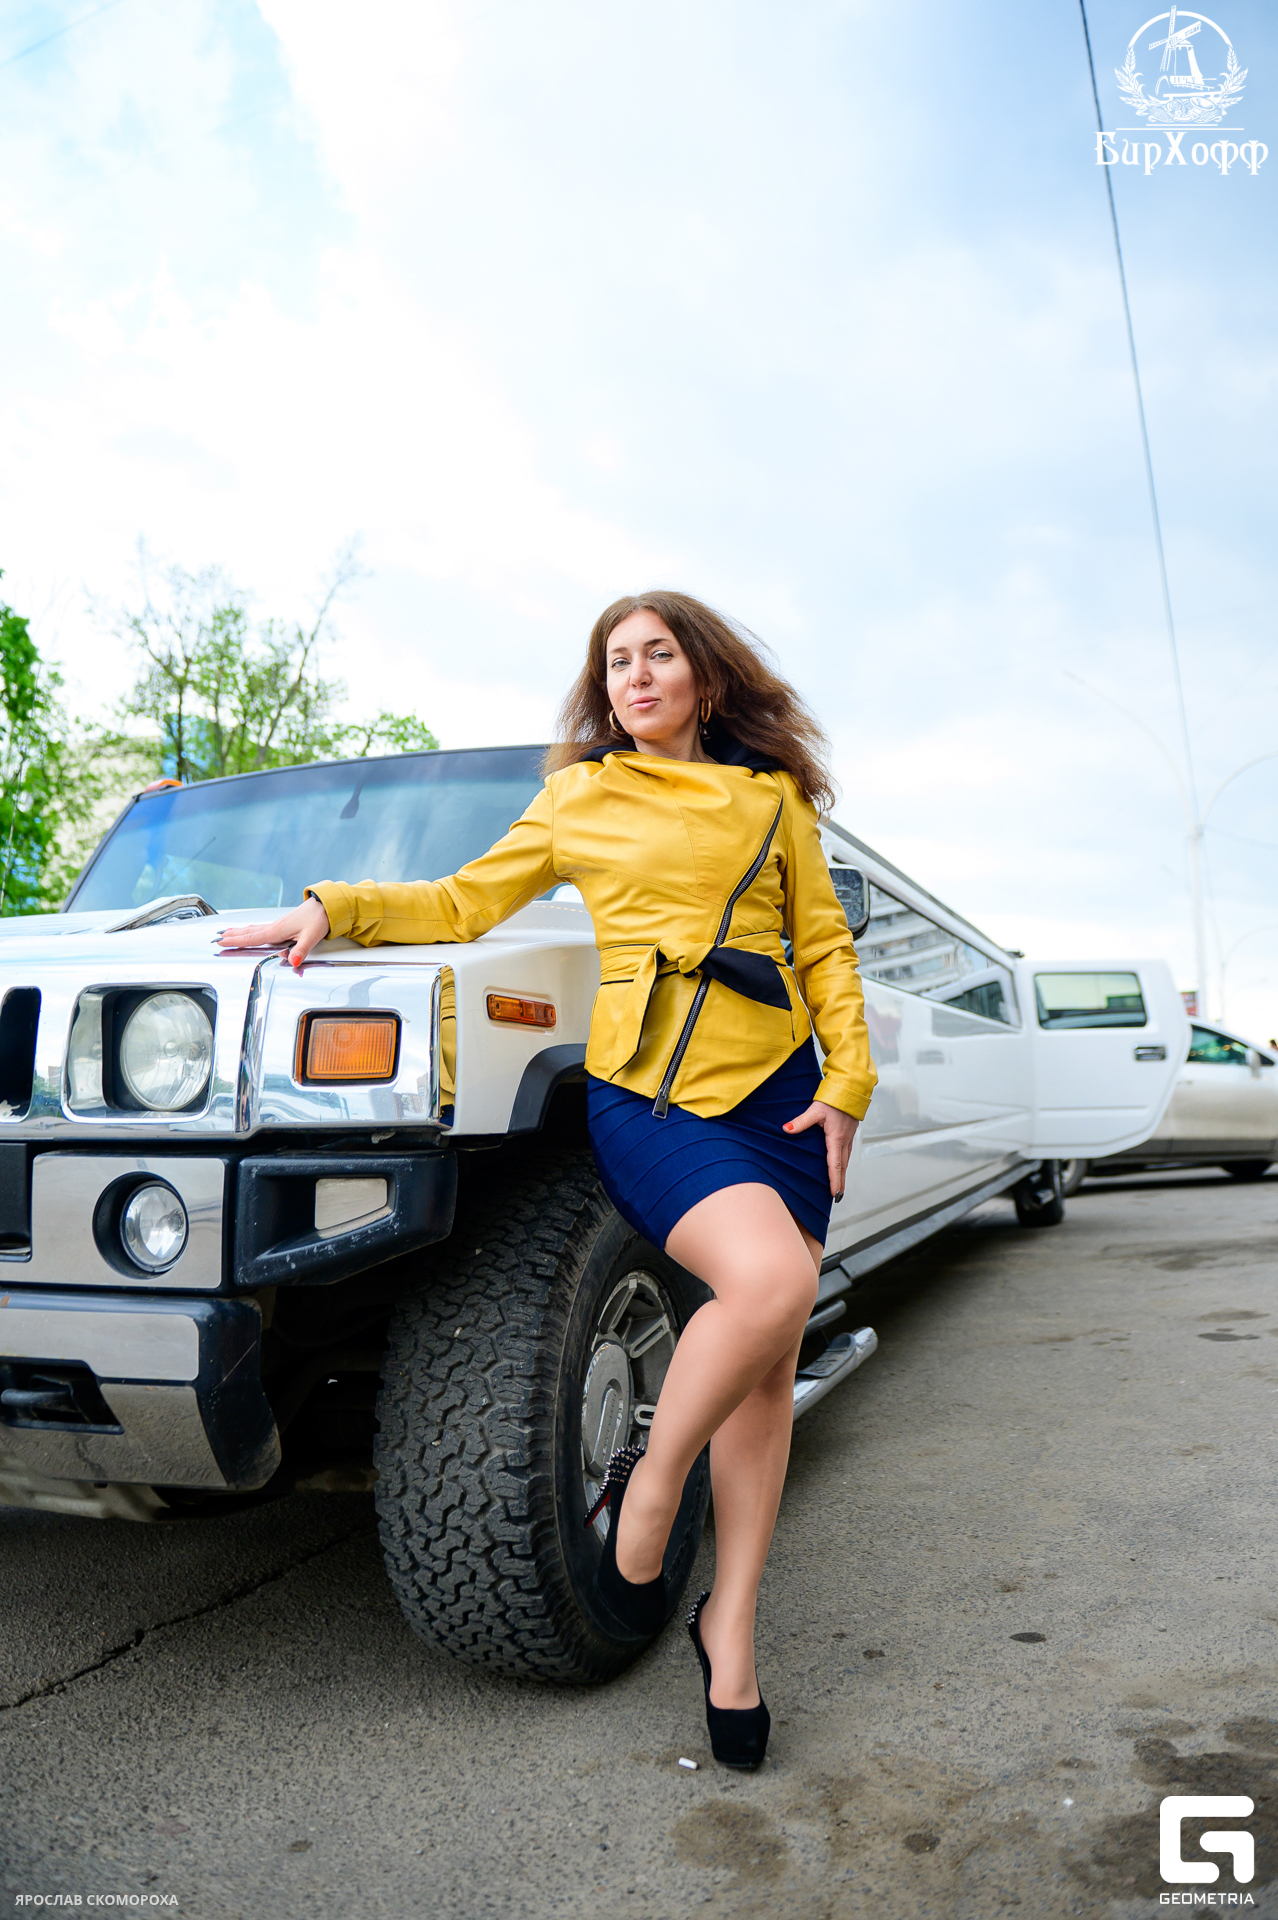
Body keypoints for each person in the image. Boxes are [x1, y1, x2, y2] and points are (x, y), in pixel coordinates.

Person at [218, 590, 877, 1769]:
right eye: (617, 661)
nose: (636, 675)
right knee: (771, 1284)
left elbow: (821, 945)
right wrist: (331, 906)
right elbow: (464, 902)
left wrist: (848, 1084)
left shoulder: (772, 800)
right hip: (654, 1091)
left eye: (658, 655)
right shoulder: (581, 795)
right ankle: (652, 1483)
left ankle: (730, 1626)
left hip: (781, 1095)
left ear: (704, 678)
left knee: (767, 1371)